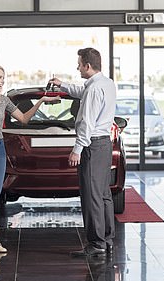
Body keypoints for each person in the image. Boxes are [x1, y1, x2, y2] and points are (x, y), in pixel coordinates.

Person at [0, 65, 60, 254]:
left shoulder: (4, 100)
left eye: (3, 77)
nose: (2, 81)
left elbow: (23, 118)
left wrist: (41, 101)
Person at [48, 48, 116, 257]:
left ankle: (96, 244)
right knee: (103, 194)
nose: (77, 67)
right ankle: (106, 238)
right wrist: (63, 85)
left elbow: (87, 122)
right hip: (104, 144)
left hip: (92, 146)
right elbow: (81, 91)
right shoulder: (105, 83)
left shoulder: (95, 90)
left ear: (87, 65)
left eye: (79, 64)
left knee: (91, 196)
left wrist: (77, 149)